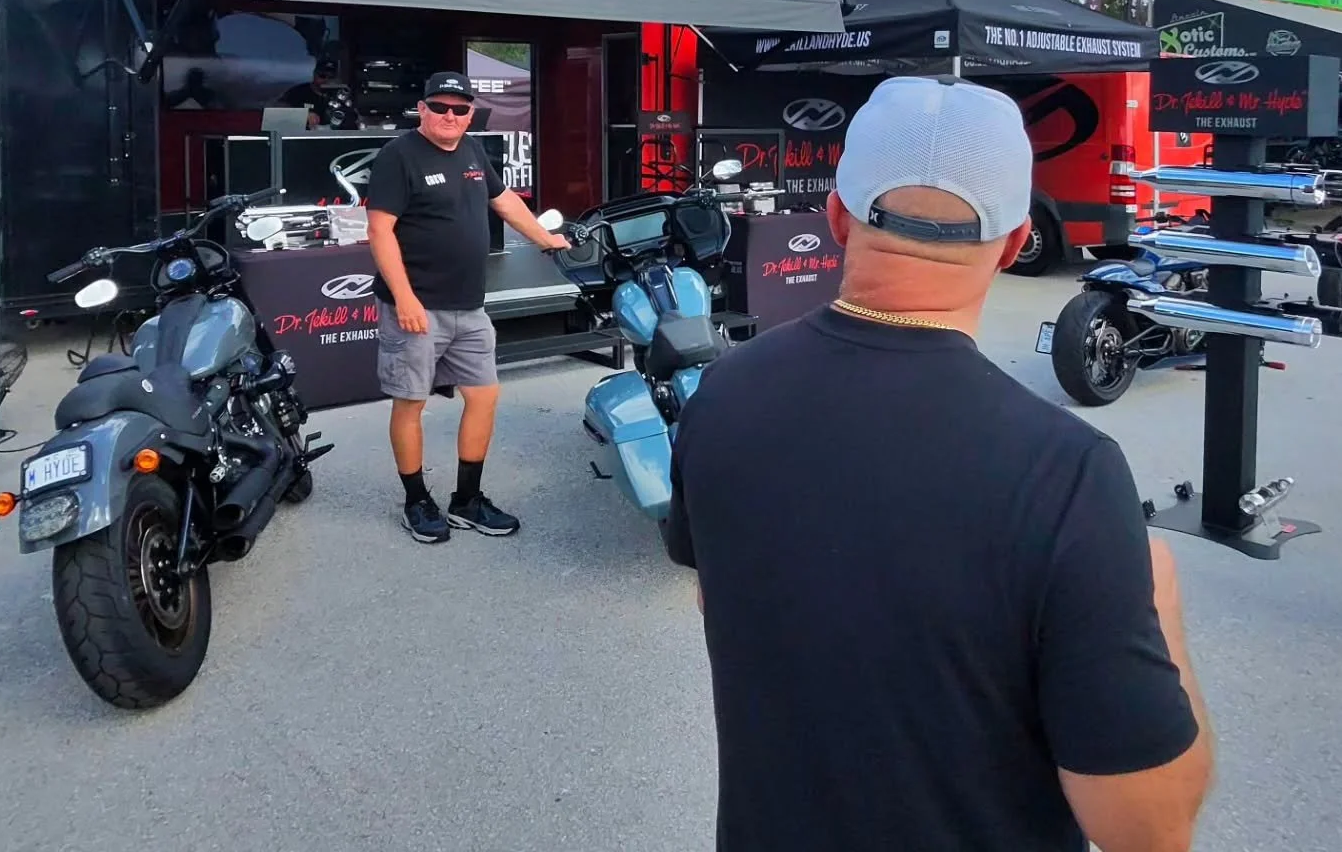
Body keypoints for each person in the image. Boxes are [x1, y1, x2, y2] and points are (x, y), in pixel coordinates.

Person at [666, 75, 1214, 852]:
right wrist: (1159, 607)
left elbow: (717, 594)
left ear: (835, 218)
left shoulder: (722, 394)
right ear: (1019, 242)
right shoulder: (1067, 471)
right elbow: (1147, 830)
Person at [366, 71, 569, 543]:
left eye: (460, 110)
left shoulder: (474, 151)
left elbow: (504, 201)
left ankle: (467, 500)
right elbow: (380, 232)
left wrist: (544, 237)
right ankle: (417, 501)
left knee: (484, 396)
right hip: (416, 307)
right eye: (440, 107)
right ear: (422, 109)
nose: (450, 117)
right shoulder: (399, 157)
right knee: (411, 403)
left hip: (469, 307)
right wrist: (405, 298)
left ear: (470, 114)